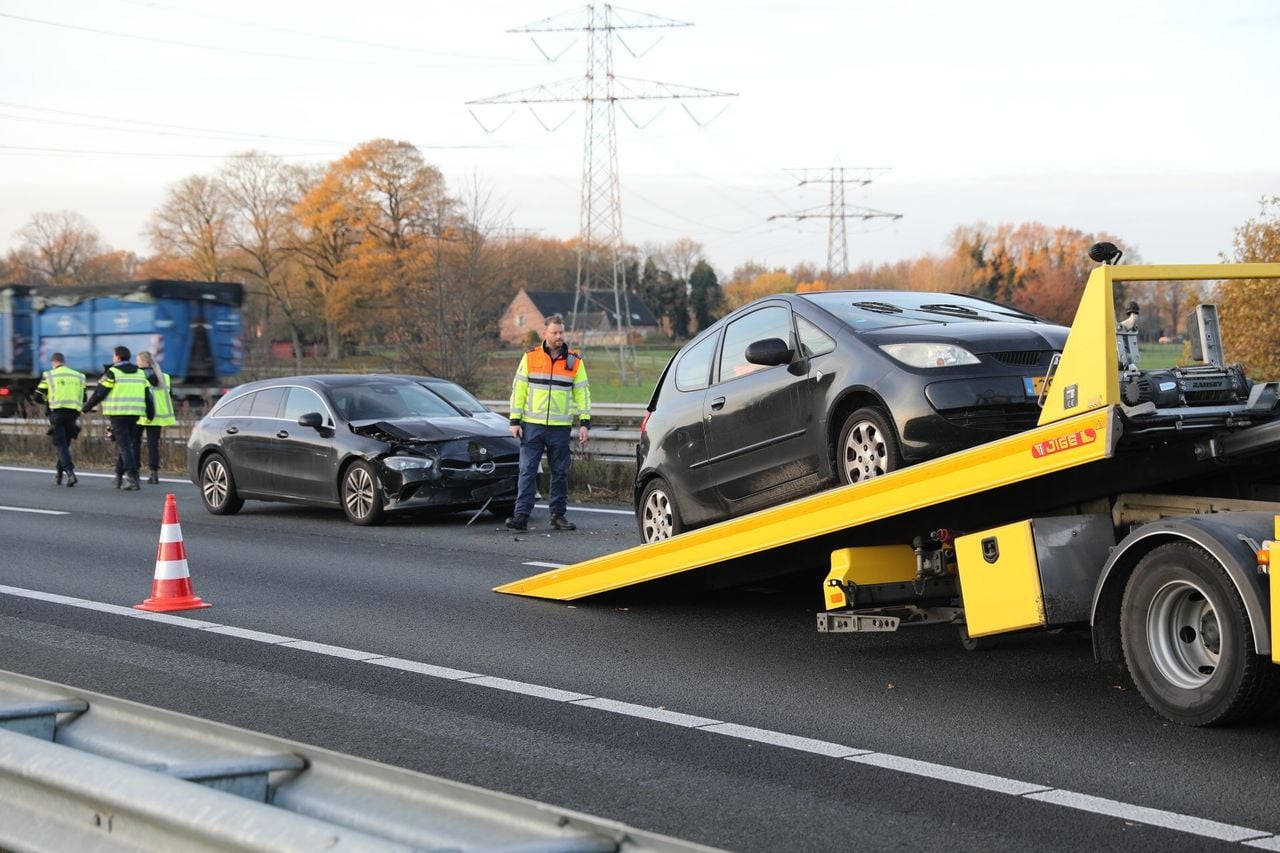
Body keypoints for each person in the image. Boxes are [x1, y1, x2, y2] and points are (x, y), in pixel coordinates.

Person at [505, 313, 590, 532]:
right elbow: (519, 390)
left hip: (560, 428)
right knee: (528, 470)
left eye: (561, 332)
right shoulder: (531, 357)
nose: (559, 336)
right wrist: (514, 420)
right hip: (532, 425)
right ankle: (521, 515)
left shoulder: (574, 361)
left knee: (560, 472)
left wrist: (584, 422)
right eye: (555, 332)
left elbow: (583, 393)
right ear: (546, 333)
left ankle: (558, 515)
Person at [82, 345, 154, 491]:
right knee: (127, 443)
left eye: (114, 356)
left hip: (118, 414)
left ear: (117, 357)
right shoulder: (140, 373)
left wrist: (86, 407)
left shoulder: (113, 372)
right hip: (134, 414)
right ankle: (119, 475)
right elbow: (148, 396)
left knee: (125, 445)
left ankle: (132, 478)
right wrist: (150, 413)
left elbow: (99, 393)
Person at [32, 352, 86, 486]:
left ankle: (70, 473)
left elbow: (37, 397)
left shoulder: (49, 375)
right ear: (64, 361)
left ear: (53, 363)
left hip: (57, 414)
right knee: (65, 444)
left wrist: (48, 400)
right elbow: (84, 397)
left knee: (60, 444)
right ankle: (59, 475)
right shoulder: (79, 376)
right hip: (73, 414)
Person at [136, 351, 176, 484]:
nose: (136, 363)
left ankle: (134, 471)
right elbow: (169, 397)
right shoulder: (165, 377)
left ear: (143, 362)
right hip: (159, 416)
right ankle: (154, 473)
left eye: (138, 360)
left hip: (142, 414)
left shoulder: (139, 375)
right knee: (153, 445)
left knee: (135, 443)